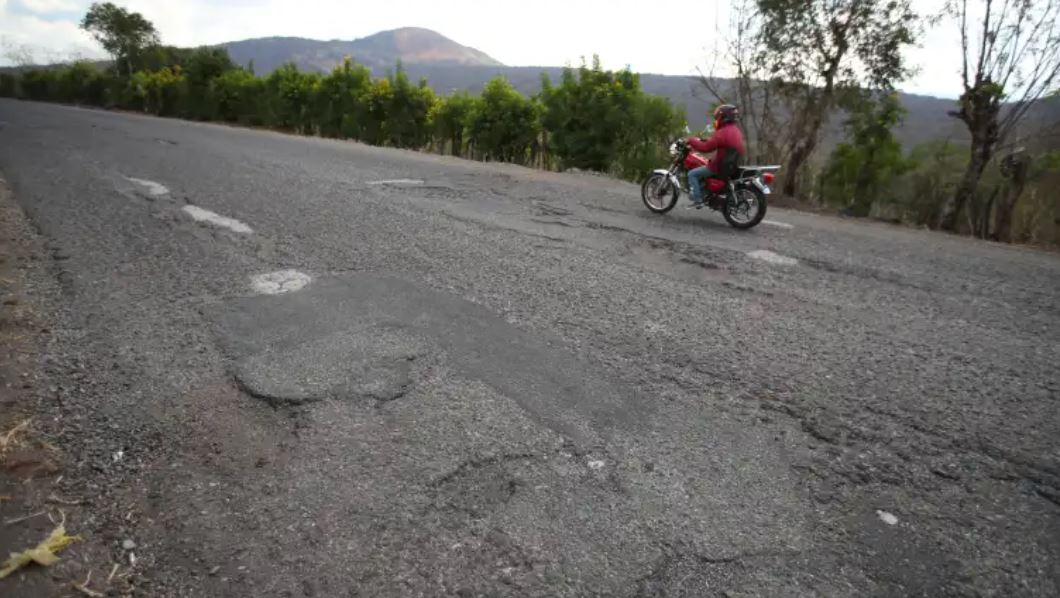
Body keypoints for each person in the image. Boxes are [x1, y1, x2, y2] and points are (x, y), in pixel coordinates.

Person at [686, 104, 746, 209]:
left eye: (718, 117)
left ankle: (698, 200)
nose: (717, 119)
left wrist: (691, 140)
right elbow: (717, 143)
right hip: (730, 165)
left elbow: (705, 148)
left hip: (719, 166)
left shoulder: (722, 132)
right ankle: (707, 193)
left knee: (692, 174)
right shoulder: (736, 130)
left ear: (724, 117)